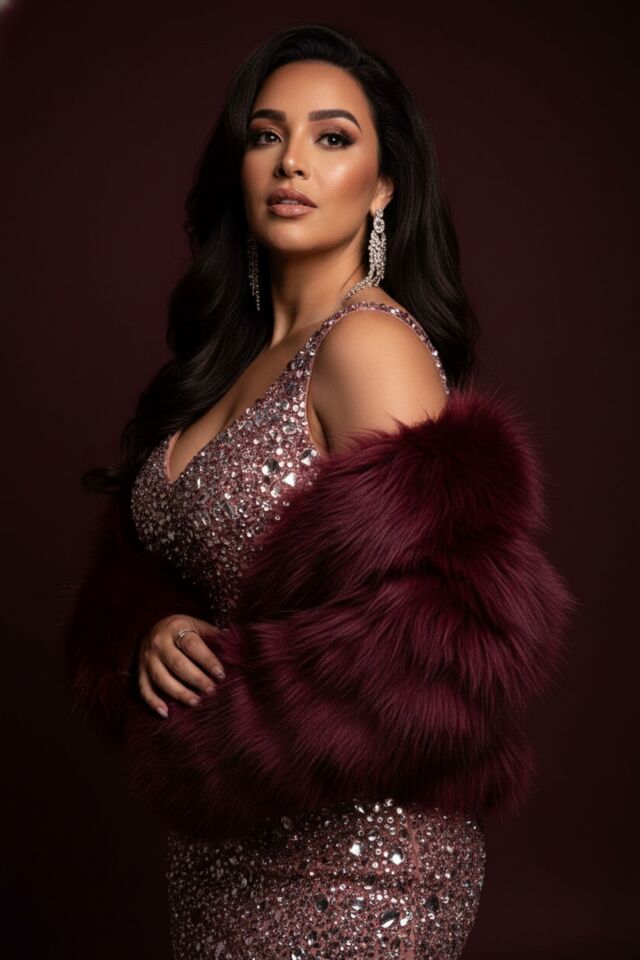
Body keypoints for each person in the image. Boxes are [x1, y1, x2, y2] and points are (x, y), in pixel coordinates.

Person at [64, 23, 573, 960]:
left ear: (384, 185)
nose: (291, 160)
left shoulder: (365, 345)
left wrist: (211, 736)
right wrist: (146, 630)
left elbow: (448, 640)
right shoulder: (221, 368)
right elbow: (161, 562)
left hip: (355, 863)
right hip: (219, 856)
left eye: (332, 137)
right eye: (267, 134)